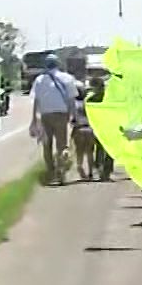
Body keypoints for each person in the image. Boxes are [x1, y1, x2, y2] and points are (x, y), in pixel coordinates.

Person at [29, 54, 80, 186]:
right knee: (62, 145)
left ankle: (50, 171)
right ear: (58, 64)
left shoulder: (39, 80)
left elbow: (36, 100)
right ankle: (61, 171)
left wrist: (34, 119)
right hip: (62, 115)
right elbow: (72, 100)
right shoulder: (67, 78)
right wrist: (74, 116)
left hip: (45, 115)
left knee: (47, 145)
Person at [70, 74, 113, 182]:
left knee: (97, 150)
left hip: (97, 126)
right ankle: (103, 171)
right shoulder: (109, 97)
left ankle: (100, 170)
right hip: (104, 125)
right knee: (104, 150)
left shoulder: (90, 99)